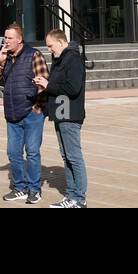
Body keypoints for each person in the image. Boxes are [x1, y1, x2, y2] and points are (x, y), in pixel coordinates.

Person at [0, 23, 48, 203]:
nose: (6, 41)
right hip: (12, 112)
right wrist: (0, 61)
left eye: (9, 38)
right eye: (5, 37)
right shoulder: (5, 57)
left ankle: (34, 189)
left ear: (19, 40)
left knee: (32, 152)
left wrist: (36, 107)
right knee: (13, 153)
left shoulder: (34, 55)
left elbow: (44, 82)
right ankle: (19, 187)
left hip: (32, 113)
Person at [33, 28, 87, 208]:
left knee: (74, 156)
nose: (49, 50)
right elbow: (58, 86)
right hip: (61, 114)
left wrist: (48, 84)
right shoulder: (60, 59)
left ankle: (79, 198)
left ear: (61, 42)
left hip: (71, 115)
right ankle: (71, 195)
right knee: (66, 156)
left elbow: (73, 88)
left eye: (50, 46)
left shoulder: (73, 59)